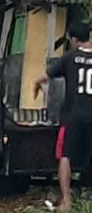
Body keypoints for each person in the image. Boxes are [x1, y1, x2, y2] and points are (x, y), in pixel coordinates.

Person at [34, 21, 92, 212]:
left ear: (74, 40)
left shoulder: (69, 58)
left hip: (73, 116)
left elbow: (44, 77)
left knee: (65, 156)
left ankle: (66, 200)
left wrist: (36, 85)